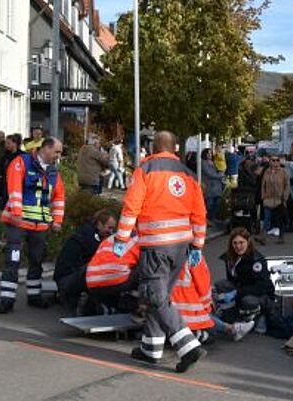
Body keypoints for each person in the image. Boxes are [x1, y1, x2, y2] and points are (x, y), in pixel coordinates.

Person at [113, 130, 207, 373]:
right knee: (160, 295)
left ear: (153, 147)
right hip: (181, 247)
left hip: (156, 245)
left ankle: (188, 346)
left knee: (156, 296)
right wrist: (198, 244)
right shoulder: (188, 174)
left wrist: (122, 237)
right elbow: (199, 214)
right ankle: (151, 349)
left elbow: (132, 205)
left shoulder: (145, 170)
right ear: (175, 148)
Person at [0, 137, 65, 314]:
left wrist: (57, 221)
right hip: (18, 223)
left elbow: (58, 197)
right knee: (12, 260)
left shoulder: (53, 172)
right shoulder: (22, 162)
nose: (58, 156)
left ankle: (34, 296)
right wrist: (18, 214)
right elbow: (14, 188)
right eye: (57, 152)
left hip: (40, 226)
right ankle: (7, 299)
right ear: (46, 148)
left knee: (37, 261)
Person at [54, 209, 118, 316]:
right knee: (94, 270)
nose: (111, 232)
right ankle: (80, 303)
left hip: (70, 277)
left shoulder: (93, 235)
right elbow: (97, 261)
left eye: (113, 228)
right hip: (66, 280)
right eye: (109, 227)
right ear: (99, 224)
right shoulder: (87, 238)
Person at [219, 227, 276, 327]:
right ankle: (233, 311)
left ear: (248, 242)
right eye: (235, 243)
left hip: (261, 294)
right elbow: (231, 279)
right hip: (243, 288)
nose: (238, 246)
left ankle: (259, 316)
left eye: (241, 242)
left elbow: (260, 287)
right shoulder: (229, 257)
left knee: (248, 301)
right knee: (220, 285)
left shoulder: (257, 260)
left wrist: (237, 293)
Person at [86, 234, 140, 314]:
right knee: (149, 270)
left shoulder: (114, 236)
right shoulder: (144, 239)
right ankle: (136, 305)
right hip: (116, 279)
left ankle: (105, 306)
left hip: (91, 280)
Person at [260, 156, 290, 244]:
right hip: (268, 199)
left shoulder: (283, 172)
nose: (275, 162)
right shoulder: (266, 172)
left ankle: (281, 238)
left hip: (279, 200)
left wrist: (285, 197)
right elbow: (263, 185)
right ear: (270, 161)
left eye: (277, 160)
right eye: (273, 160)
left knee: (280, 220)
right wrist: (263, 196)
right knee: (266, 219)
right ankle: (263, 238)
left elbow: (287, 185)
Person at [0, 134, 22, 209]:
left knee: (15, 208)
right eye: (6, 143)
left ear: (15, 143)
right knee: (4, 208)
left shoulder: (23, 156)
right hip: (6, 186)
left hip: (18, 187)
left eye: (8, 143)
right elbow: (1, 172)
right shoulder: (5, 156)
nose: (6, 145)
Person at [200, 149, 225, 224]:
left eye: (211, 153)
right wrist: (221, 175)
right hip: (209, 186)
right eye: (208, 153)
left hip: (217, 186)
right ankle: (207, 219)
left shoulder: (213, 162)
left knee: (216, 203)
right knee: (209, 203)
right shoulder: (203, 163)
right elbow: (209, 173)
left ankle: (212, 218)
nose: (210, 155)